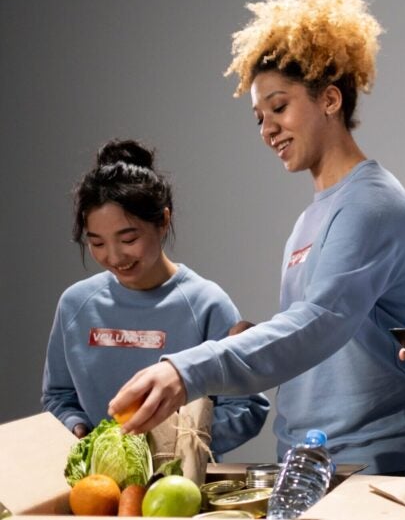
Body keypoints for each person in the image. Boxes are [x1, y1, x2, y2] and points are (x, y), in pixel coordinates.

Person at [109, 0, 405, 475]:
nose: (267, 128)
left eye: (279, 106)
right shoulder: (312, 215)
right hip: (307, 455)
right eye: (258, 117)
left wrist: (188, 370)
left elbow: (321, 322)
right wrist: (260, 335)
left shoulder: (373, 204)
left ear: (330, 100)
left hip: (375, 459)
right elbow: (324, 325)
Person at [41, 139, 269, 456]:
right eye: (97, 243)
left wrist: (173, 445)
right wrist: (77, 428)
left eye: (128, 238)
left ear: (163, 221)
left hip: (181, 491)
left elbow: (247, 407)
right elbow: (59, 396)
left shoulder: (205, 303)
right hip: (98, 490)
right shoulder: (75, 305)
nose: (114, 256)